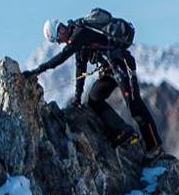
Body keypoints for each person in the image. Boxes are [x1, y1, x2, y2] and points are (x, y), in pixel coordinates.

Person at [23, 9, 163, 155]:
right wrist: (77, 98)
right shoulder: (77, 42)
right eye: (58, 36)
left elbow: (61, 58)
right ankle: (123, 131)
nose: (61, 35)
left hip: (122, 64)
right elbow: (80, 70)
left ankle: (154, 147)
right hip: (110, 70)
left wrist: (37, 71)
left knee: (135, 105)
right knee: (94, 99)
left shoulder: (79, 33)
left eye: (60, 31)